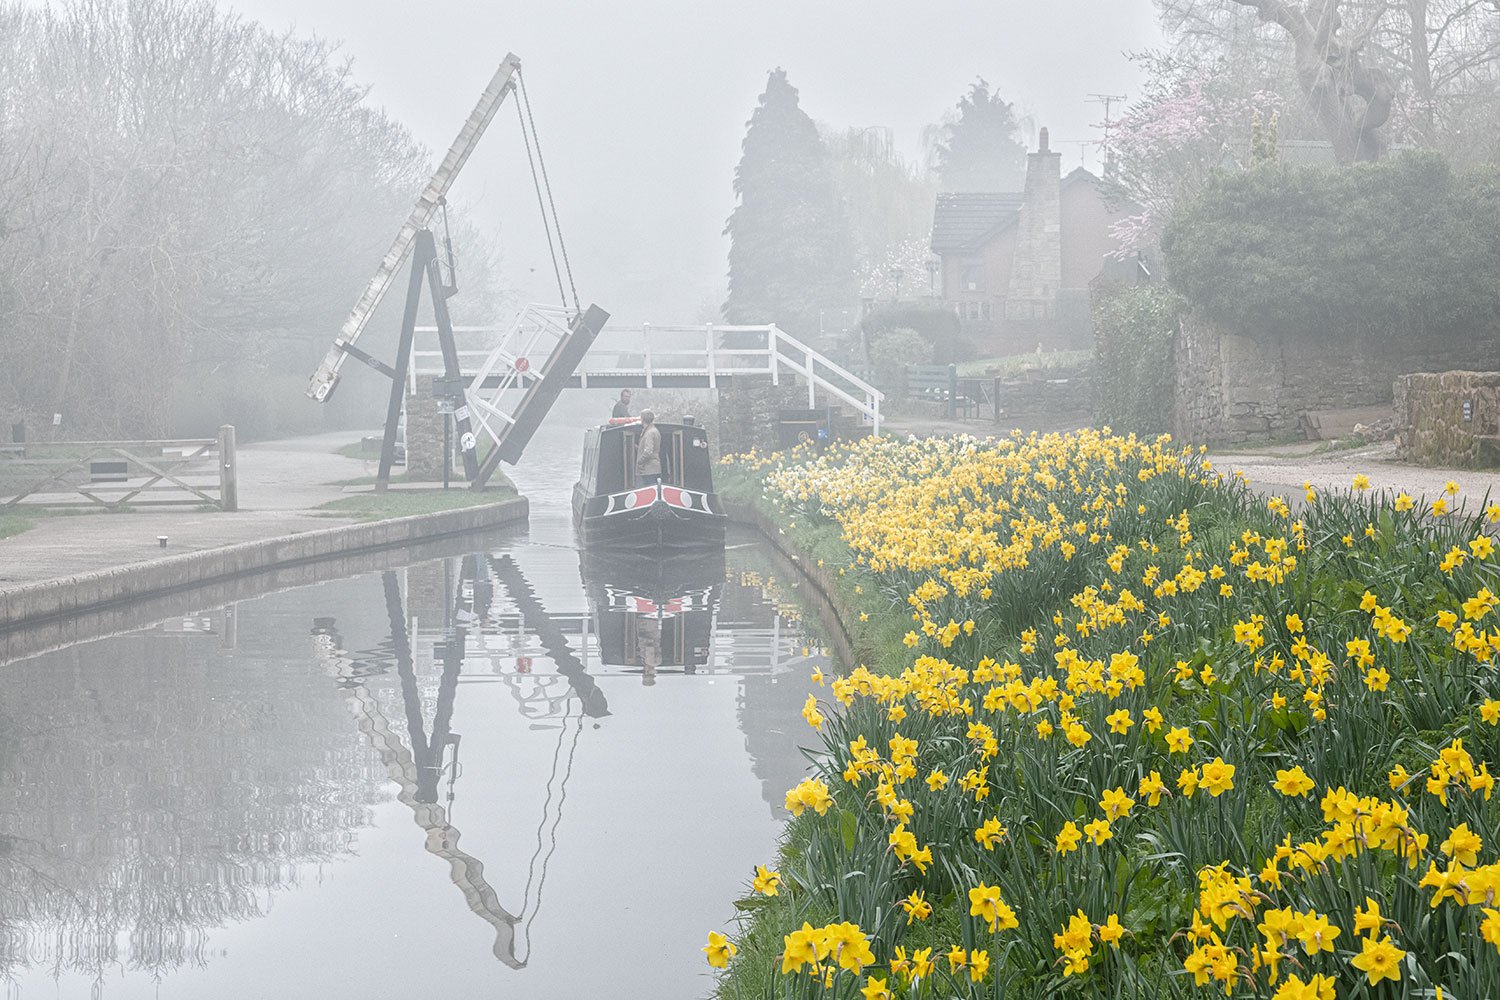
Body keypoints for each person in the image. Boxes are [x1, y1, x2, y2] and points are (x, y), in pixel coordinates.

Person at [635, 408, 662, 486]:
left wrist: (639, 462)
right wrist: (638, 447)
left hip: (648, 469)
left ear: (642, 419)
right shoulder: (655, 430)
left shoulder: (649, 433)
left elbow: (648, 451)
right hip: (655, 468)